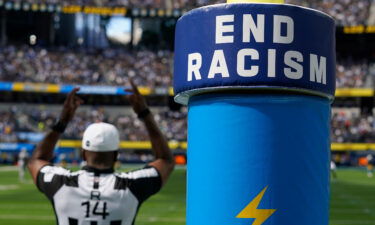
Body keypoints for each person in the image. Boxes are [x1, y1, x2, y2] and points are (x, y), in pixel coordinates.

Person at [27, 80, 175, 225]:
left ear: (83, 153)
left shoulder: (60, 183)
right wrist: (145, 113)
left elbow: (36, 160)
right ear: (116, 155)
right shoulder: (132, 185)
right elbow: (165, 160)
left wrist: (62, 122)